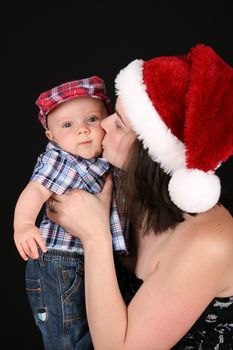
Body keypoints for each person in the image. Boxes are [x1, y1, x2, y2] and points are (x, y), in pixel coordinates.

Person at [47, 44, 233, 349]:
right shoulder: (120, 185)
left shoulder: (209, 241)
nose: (103, 123)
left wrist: (96, 237)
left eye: (119, 123)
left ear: (152, 154)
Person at [13, 76, 129, 350]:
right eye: (68, 125)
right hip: (59, 262)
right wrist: (24, 224)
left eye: (92, 119)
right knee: (67, 338)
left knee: (92, 335)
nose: (82, 131)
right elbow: (35, 190)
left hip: (88, 260)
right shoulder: (60, 158)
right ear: (50, 137)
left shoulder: (105, 159)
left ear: (108, 119)